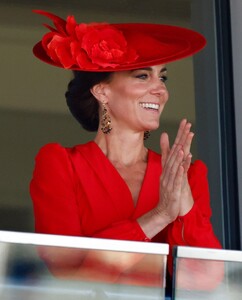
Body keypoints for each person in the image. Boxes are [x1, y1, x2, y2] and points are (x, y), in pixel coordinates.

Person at [30, 10, 223, 289]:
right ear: (102, 91)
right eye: (143, 76)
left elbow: (206, 281)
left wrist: (183, 207)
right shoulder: (60, 165)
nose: (160, 90)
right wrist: (159, 216)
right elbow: (65, 272)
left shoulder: (186, 175)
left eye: (163, 78)